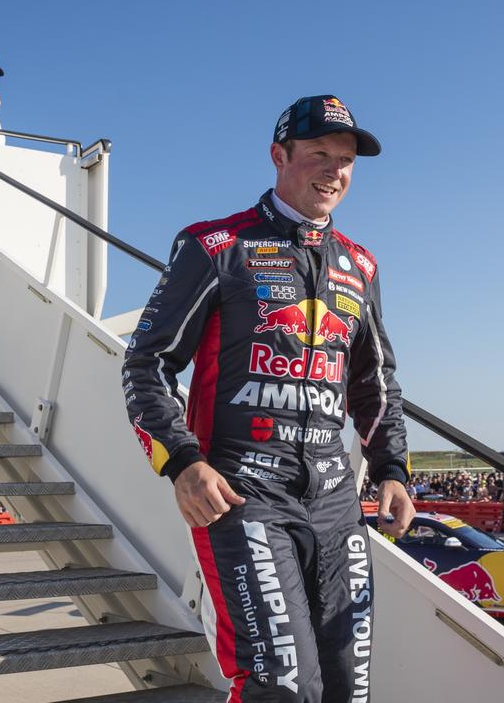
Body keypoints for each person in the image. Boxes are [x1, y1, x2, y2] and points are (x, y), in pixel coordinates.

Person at [122, 94, 414, 702]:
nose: (334, 171)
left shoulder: (360, 265)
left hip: (337, 501)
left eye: (345, 160)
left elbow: (374, 381)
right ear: (280, 156)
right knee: (283, 686)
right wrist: (181, 462)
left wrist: (391, 468)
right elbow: (147, 363)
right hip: (243, 496)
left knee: (346, 688)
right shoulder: (214, 246)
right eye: (318, 155)